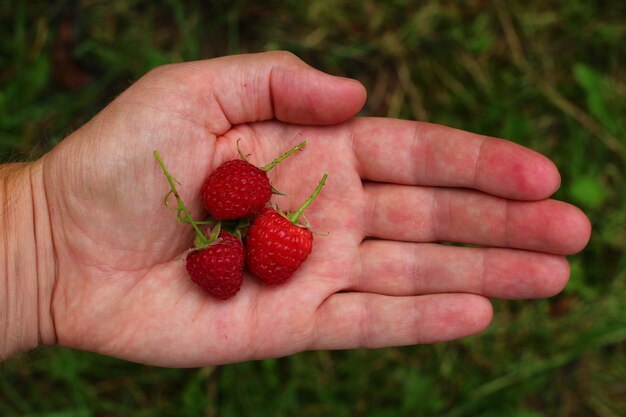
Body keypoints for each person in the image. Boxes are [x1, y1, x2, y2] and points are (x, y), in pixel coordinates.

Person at [0, 51, 591, 367]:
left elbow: (237, 224)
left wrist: (38, 240)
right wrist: (43, 232)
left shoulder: (233, 229)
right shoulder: (229, 228)